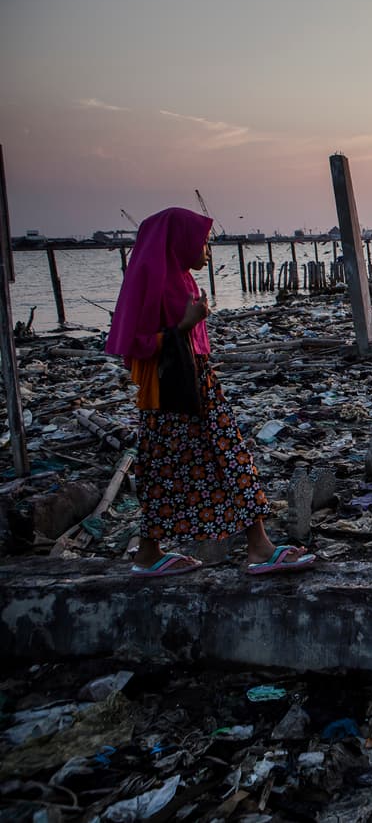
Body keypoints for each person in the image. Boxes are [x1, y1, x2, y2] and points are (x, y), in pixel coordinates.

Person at [105, 207, 315, 577]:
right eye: (202, 242)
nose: (207, 250)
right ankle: (259, 548)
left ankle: (150, 554)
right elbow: (135, 343)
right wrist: (185, 324)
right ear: (179, 243)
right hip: (175, 390)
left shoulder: (180, 278)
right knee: (229, 458)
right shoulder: (155, 280)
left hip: (188, 383)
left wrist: (188, 325)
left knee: (165, 470)